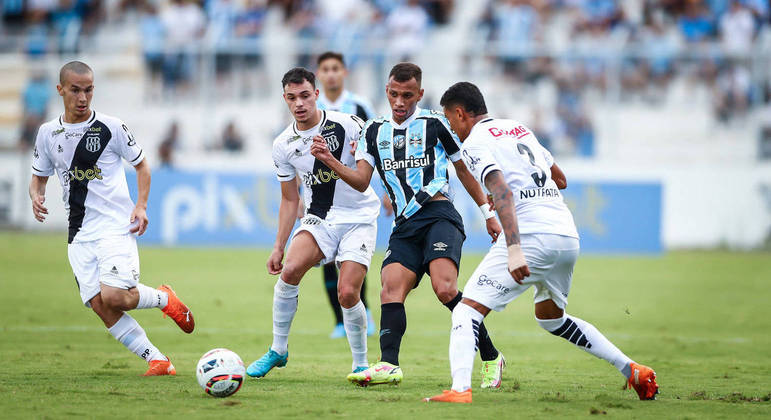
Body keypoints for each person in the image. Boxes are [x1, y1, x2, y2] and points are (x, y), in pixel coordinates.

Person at [424, 81, 659, 403]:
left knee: (466, 312)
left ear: (461, 113)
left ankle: (460, 390)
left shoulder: (476, 142)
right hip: (565, 234)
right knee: (552, 318)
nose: (451, 126)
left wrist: (515, 248)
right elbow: (559, 179)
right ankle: (632, 369)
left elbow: (503, 191)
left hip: (532, 236)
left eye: (450, 119)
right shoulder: (518, 129)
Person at [311, 63, 505, 388]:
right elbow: (361, 181)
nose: (400, 102)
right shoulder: (373, 130)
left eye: (407, 95)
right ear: (387, 91)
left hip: (439, 215)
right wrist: (331, 161)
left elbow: (463, 170)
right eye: (394, 94)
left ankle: (490, 356)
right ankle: (389, 364)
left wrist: (488, 212)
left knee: (445, 289)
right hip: (404, 224)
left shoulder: (436, 123)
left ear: (420, 94)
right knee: (390, 287)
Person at [28, 61, 195, 377]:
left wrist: (141, 206)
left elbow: (142, 166)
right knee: (100, 304)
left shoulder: (110, 127)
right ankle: (158, 360)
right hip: (78, 233)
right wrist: (36, 194)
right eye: (75, 90)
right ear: (60, 90)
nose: (83, 97)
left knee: (116, 296)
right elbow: (38, 176)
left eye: (88, 90)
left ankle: (163, 298)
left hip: (115, 226)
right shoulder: (48, 133)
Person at [246, 67, 380, 379]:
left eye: (305, 95)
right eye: (292, 98)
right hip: (320, 217)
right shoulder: (283, 144)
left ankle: (360, 363)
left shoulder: (348, 125)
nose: (299, 103)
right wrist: (278, 247)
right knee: (290, 270)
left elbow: (365, 176)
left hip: (359, 218)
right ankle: (278, 350)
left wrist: (330, 158)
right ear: (285, 99)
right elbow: (290, 199)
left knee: (347, 293)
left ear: (316, 94)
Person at [316, 50, 377, 339]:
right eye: (325, 69)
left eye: (335, 68)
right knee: (328, 257)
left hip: (354, 193)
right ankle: (340, 321)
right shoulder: (310, 105)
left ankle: (363, 311)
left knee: (352, 257)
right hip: (322, 195)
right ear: (319, 74)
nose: (330, 73)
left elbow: (375, 148)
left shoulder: (359, 106)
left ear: (344, 72)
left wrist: (385, 191)